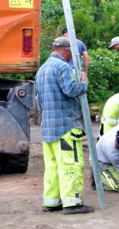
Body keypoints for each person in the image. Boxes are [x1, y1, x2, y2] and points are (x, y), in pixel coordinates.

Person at [35, 36, 93, 214]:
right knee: (71, 165)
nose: (72, 59)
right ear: (66, 51)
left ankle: (51, 202)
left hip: (48, 129)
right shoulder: (62, 67)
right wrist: (83, 82)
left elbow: (39, 102)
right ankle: (72, 203)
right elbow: (71, 90)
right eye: (72, 54)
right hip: (66, 127)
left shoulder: (42, 70)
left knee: (52, 167)